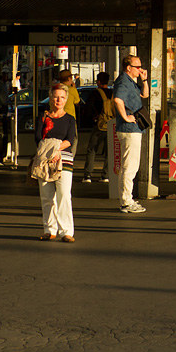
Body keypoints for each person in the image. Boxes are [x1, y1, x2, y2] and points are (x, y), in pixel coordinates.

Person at [34, 83, 77, 241]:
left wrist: (56, 150)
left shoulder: (70, 119)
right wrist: (50, 153)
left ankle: (66, 231)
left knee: (64, 195)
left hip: (64, 159)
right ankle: (49, 229)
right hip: (45, 160)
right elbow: (38, 138)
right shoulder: (43, 117)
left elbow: (70, 140)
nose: (59, 100)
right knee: (46, 196)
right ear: (50, 98)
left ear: (66, 100)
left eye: (62, 97)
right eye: (56, 97)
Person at [111, 55, 147, 214]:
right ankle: (126, 201)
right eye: (137, 67)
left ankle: (127, 198)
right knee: (129, 166)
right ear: (128, 67)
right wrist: (126, 117)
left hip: (134, 129)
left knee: (131, 165)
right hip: (129, 129)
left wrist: (144, 80)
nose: (140, 69)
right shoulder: (123, 81)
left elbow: (144, 95)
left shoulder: (130, 82)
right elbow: (118, 100)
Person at [81, 71, 113, 183]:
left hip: (99, 125)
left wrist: (92, 119)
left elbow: (88, 109)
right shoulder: (112, 93)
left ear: (98, 82)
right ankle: (105, 175)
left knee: (92, 149)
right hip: (111, 125)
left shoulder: (95, 93)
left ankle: (88, 175)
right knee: (110, 152)